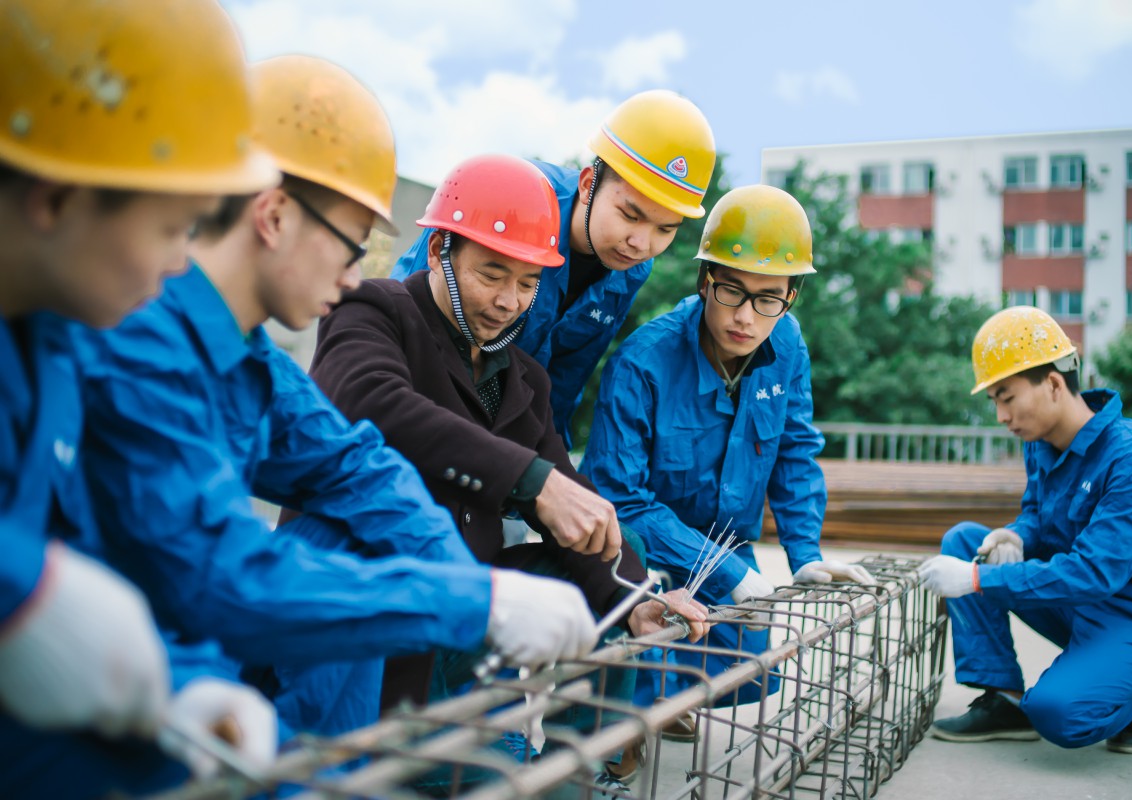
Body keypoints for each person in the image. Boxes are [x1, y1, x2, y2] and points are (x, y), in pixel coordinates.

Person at [70, 55, 596, 741]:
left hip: (190, 696)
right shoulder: (142, 348)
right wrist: (467, 600)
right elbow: (221, 573)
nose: (353, 278)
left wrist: (467, 580)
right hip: (99, 723)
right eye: (352, 246)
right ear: (275, 214)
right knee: (343, 539)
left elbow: (354, 465)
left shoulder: (251, 360)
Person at [304, 153, 710, 786]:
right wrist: (530, 482)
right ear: (440, 247)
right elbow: (371, 402)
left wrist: (636, 597)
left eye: (528, 284)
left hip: (468, 613)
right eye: (492, 274)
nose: (507, 302)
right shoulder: (374, 311)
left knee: (602, 555)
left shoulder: (521, 377)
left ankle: (575, 772)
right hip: (380, 608)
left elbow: (564, 488)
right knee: (457, 774)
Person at [0, 0, 282, 795]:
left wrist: (181, 682)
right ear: (57, 197)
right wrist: (20, 588)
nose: (182, 264)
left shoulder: (56, 337)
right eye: (175, 229)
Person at [582, 185, 875, 719]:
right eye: (731, 292)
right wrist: (730, 575)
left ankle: (673, 695)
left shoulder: (787, 344)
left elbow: (794, 452)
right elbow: (618, 497)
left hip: (725, 544)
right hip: (649, 556)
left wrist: (804, 556)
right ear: (704, 280)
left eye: (768, 299)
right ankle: (624, 722)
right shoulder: (642, 362)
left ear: (790, 297)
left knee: (749, 667)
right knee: (634, 668)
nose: (746, 317)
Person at [919, 306, 1132, 753]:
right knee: (966, 542)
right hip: (1084, 600)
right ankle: (1005, 700)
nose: (999, 416)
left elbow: (1094, 572)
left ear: (1052, 383)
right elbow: (1036, 514)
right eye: (993, 401)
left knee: (1059, 714)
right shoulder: (1041, 444)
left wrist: (976, 579)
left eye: (1006, 397)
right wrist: (1016, 535)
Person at [391, 90, 716, 445]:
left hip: (501, 432)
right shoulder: (511, 197)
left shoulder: (633, 270)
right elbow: (408, 305)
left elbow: (564, 382)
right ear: (589, 184)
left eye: (665, 229)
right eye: (629, 215)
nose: (641, 243)